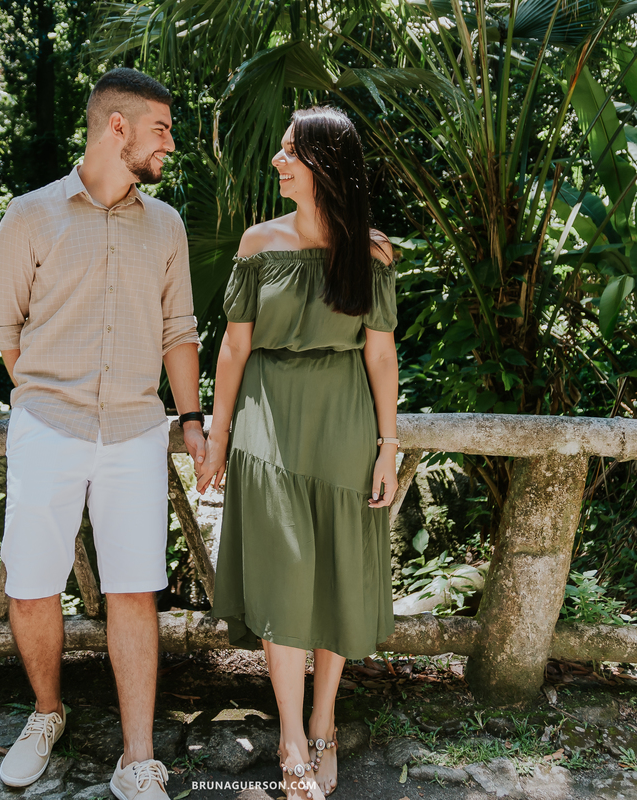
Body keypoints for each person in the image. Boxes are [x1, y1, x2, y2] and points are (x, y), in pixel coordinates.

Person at [0, 67, 206, 800]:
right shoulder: (31, 216)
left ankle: (137, 754)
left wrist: (194, 421)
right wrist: (49, 395)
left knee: (135, 588)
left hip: (139, 431)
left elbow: (179, 333)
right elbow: (6, 331)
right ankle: (47, 713)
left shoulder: (166, 225)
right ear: (119, 127)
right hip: (48, 425)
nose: (169, 144)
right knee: (32, 586)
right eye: (161, 129)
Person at [195, 105, 400, 800]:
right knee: (285, 580)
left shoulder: (370, 251)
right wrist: (219, 433)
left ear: (325, 164)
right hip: (269, 424)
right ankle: (287, 735)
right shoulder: (259, 242)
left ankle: (323, 723)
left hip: (345, 424)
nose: (278, 162)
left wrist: (388, 445)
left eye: (290, 151)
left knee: (338, 575)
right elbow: (233, 347)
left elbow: (380, 353)